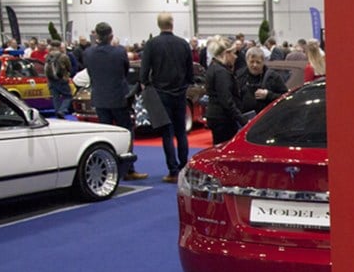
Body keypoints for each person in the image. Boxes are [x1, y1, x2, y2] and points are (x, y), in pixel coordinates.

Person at [84, 21, 147, 180]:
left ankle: (108, 168)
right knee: (126, 132)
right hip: (118, 98)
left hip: (99, 98)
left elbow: (90, 73)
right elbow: (124, 72)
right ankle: (128, 169)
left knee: (105, 135)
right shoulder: (119, 51)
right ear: (111, 36)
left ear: (96, 36)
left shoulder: (88, 53)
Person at [140, 12, 195, 182]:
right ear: (172, 24)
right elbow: (190, 70)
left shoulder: (151, 44)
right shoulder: (183, 43)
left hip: (161, 93)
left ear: (159, 25)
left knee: (167, 133)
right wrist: (186, 84)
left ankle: (172, 170)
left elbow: (144, 71)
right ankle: (184, 166)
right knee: (181, 133)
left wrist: (146, 84)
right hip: (180, 93)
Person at [204, 36, 245, 145]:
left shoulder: (213, 67)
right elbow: (226, 101)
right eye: (234, 53)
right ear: (226, 53)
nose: (236, 57)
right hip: (223, 118)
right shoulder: (221, 72)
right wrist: (242, 120)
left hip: (215, 115)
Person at [240, 48, 289, 118]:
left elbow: (285, 97)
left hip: (268, 119)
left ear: (263, 62)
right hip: (246, 120)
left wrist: (268, 95)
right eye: (252, 62)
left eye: (258, 62)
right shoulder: (240, 76)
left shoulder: (273, 77)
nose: (255, 65)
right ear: (246, 61)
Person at [44, 41, 74, 118]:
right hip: (61, 78)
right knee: (68, 96)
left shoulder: (48, 56)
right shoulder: (63, 56)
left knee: (55, 97)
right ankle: (62, 110)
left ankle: (57, 112)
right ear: (60, 46)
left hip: (51, 79)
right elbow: (69, 67)